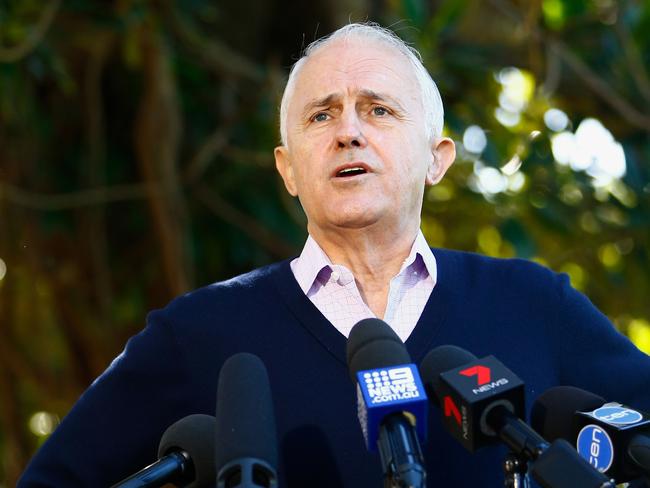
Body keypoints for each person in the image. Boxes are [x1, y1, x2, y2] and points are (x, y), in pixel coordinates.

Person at [18, 23, 650, 487]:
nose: (349, 129)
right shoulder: (195, 334)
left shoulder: (536, 305)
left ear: (437, 158)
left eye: (378, 109)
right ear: (288, 169)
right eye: (322, 116)